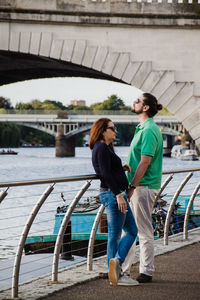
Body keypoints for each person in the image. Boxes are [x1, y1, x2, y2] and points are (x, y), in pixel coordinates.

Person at [89, 118, 138, 287]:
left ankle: (115, 270)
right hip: (113, 195)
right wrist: (118, 195)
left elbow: (109, 169)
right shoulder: (101, 147)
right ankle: (117, 270)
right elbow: (104, 173)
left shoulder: (104, 148)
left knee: (130, 231)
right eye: (112, 128)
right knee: (117, 235)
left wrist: (120, 168)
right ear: (103, 131)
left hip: (116, 194)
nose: (115, 131)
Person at [122, 93, 163, 283]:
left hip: (143, 187)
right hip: (139, 186)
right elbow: (139, 160)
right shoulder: (142, 128)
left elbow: (145, 162)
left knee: (143, 230)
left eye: (138, 100)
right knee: (130, 229)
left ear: (145, 108)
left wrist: (132, 185)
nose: (134, 101)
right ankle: (123, 268)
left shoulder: (148, 130)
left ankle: (147, 271)